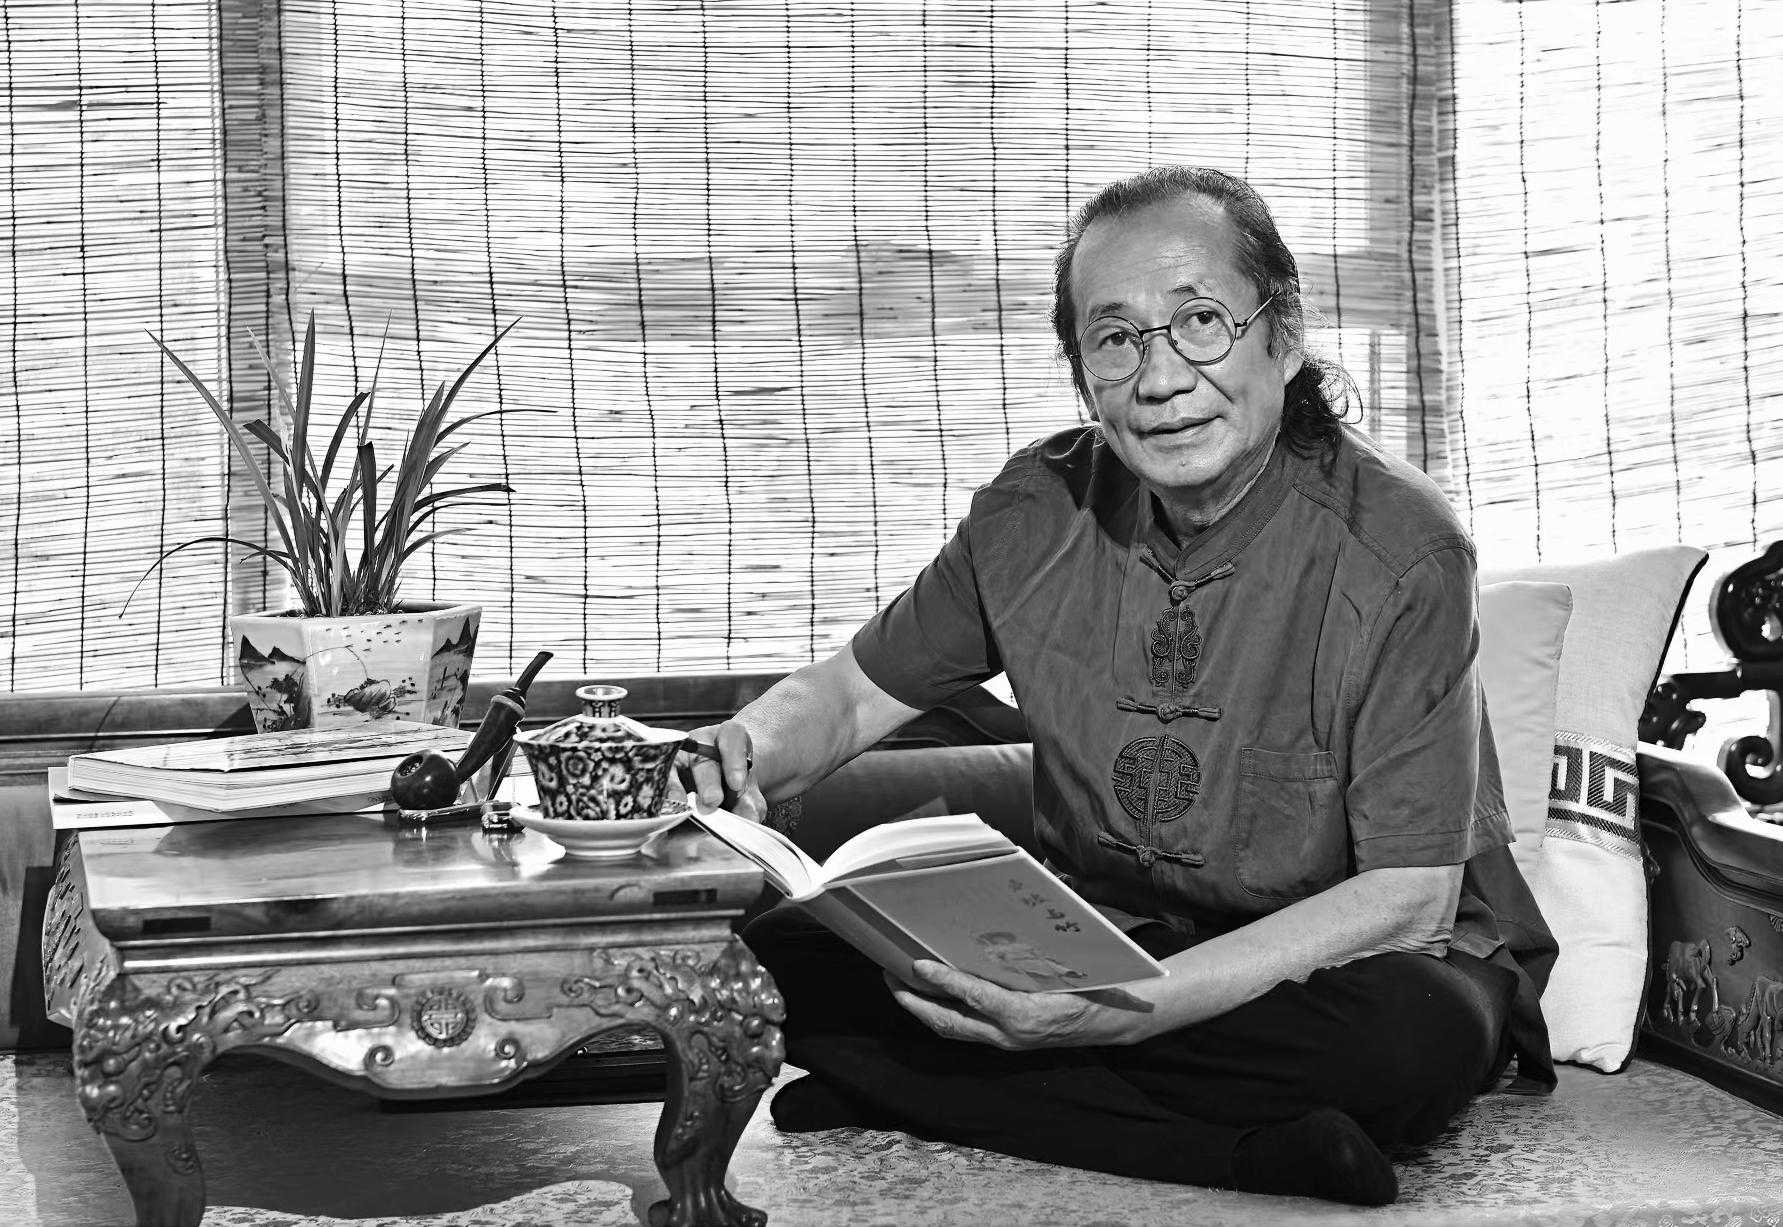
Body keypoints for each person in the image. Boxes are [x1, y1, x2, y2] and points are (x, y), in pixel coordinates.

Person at [681, 165, 1556, 1206]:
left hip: (1341, 964)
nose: (1160, 377)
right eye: (1114, 339)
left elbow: (1408, 901)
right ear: (1082, 375)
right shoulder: (1033, 511)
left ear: (1283, 336)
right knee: (775, 958)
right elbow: (849, 698)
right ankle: (1234, 1146)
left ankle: (934, 1090)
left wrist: (1124, 1015)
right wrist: (742, 748)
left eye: (1200, 321)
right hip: (1097, 936)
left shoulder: (1404, 548)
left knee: (1409, 1042)